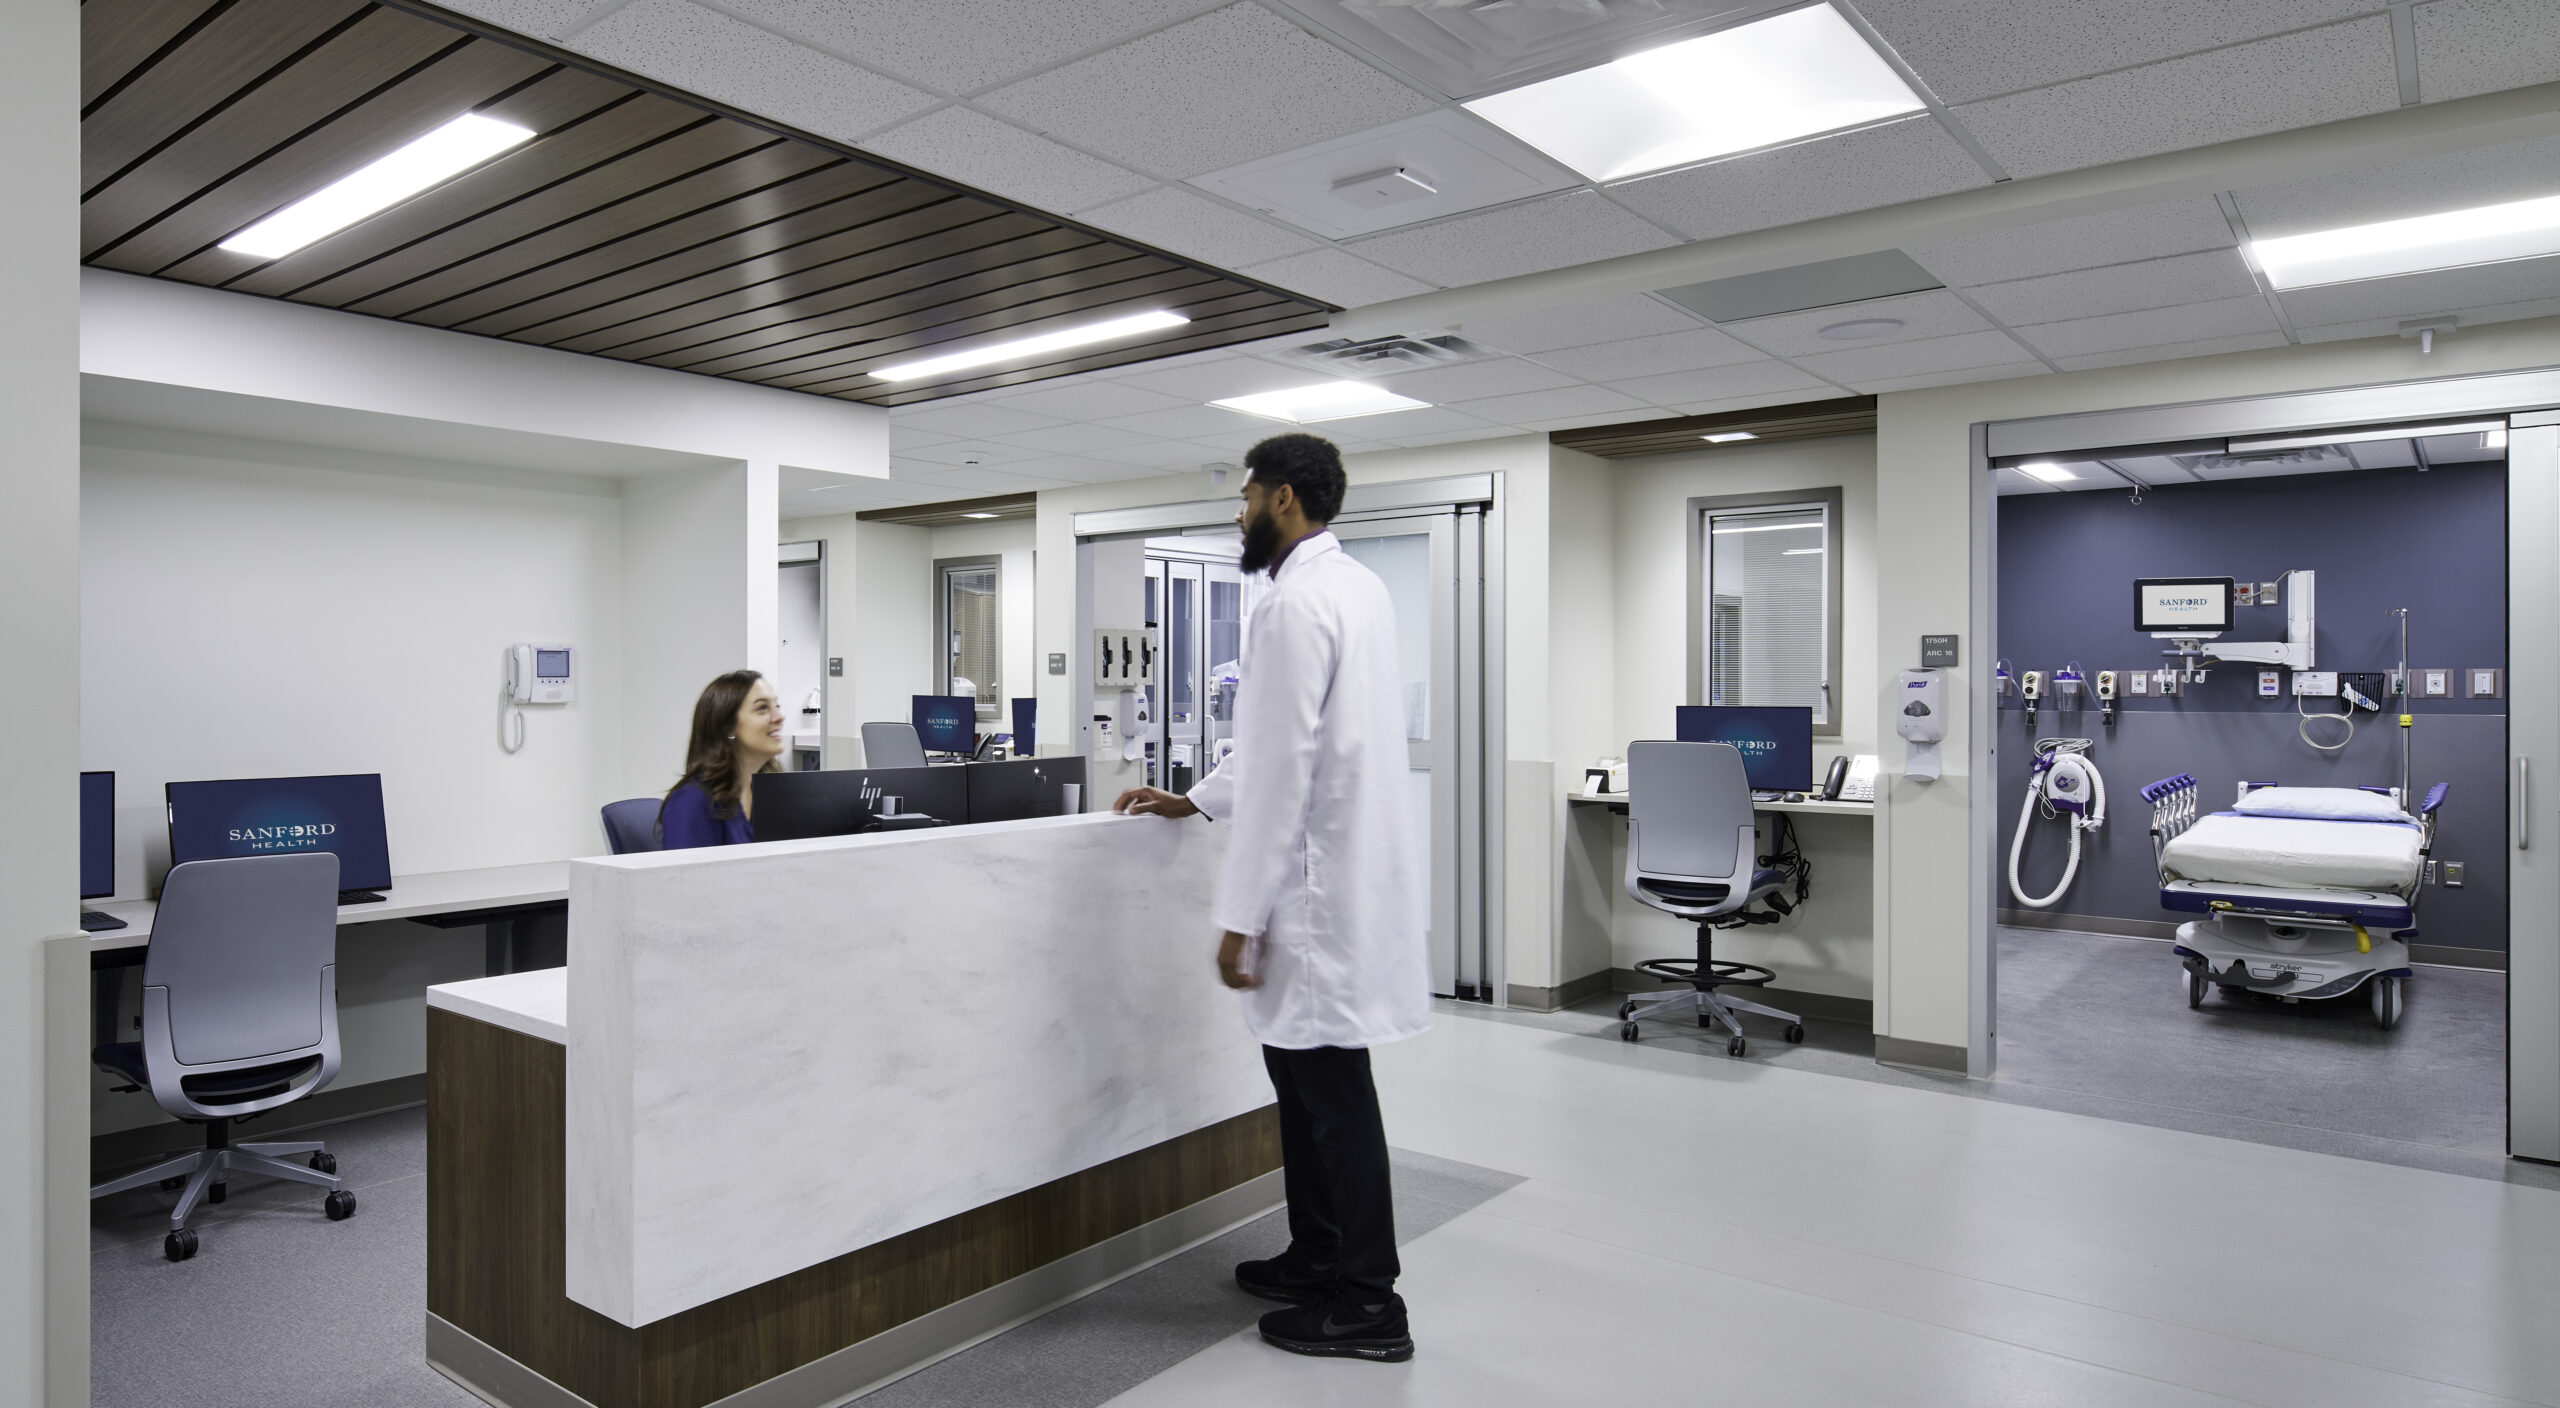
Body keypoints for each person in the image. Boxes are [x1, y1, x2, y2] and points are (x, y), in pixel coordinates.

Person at [1115, 432, 1428, 1363]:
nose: (1239, 511)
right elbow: (1273, 746)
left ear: (1284, 498)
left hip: (1312, 895)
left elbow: (1286, 764)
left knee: (1331, 1094)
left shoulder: (1294, 605)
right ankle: (1318, 1257)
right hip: (1339, 881)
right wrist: (1197, 797)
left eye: (1247, 496)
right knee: (1301, 1086)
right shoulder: (1356, 588)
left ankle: (1371, 1304)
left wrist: (1239, 917)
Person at [659, 670, 785, 849]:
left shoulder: (767, 792)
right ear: (728, 728)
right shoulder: (691, 802)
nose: (779, 717)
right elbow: (687, 876)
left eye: (777, 706)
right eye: (762, 708)